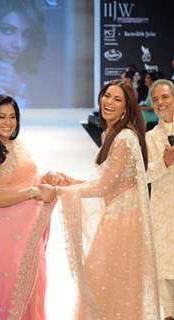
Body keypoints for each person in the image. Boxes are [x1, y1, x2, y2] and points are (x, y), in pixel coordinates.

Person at [37, 80, 161, 319]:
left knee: (104, 285)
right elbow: (106, 183)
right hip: (115, 217)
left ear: (126, 108)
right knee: (105, 286)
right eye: (107, 96)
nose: (109, 102)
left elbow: (103, 187)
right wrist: (68, 181)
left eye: (117, 99)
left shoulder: (125, 137)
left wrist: (60, 192)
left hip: (124, 224)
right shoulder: (110, 134)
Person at [0, 94, 57, 320]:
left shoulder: (16, 144)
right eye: (1, 117)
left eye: (12, 117)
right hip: (0, 229)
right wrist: (34, 192)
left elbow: (27, 178)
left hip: (28, 227)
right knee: (11, 285)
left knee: (35, 283)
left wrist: (46, 179)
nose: (8, 122)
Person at [146, 79, 174, 320]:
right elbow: (144, 174)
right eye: (155, 100)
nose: (160, 103)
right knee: (164, 273)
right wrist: (165, 162)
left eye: (164, 97)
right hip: (163, 214)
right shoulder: (151, 137)